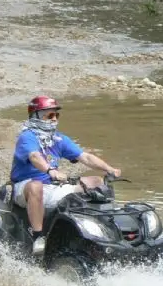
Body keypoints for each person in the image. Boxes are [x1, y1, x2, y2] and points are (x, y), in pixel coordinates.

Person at [10, 96, 122, 255]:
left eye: (57, 115)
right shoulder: (27, 137)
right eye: (50, 116)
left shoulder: (58, 138)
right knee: (36, 186)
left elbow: (85, 157)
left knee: (96, 181)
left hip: (52, 186)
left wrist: (109, 169)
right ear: (36, 116)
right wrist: (51, 171)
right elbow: (34, 156)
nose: (54, 119)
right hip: (25, 187)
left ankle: (104, 227)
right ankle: (38, 237)